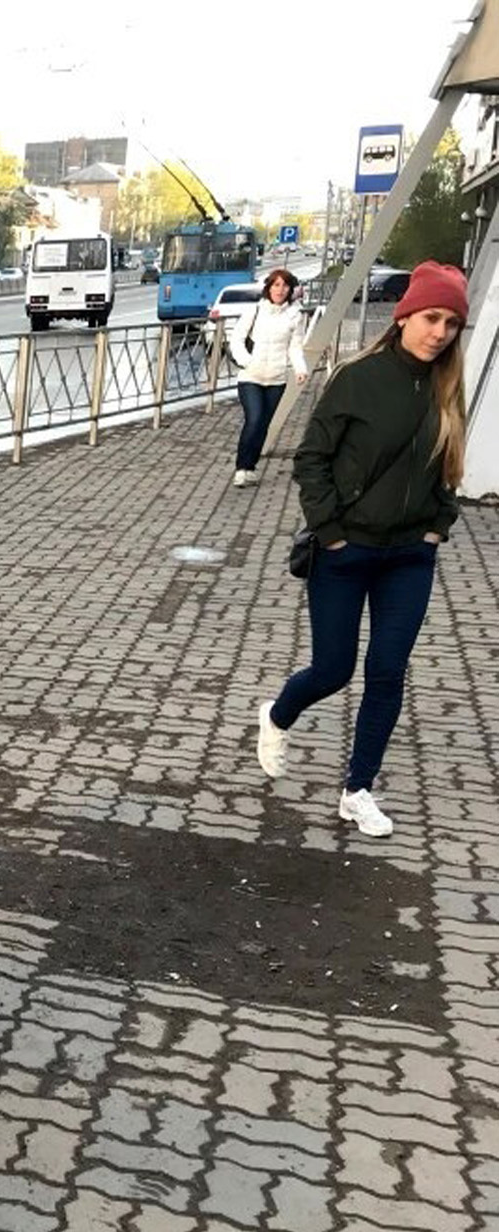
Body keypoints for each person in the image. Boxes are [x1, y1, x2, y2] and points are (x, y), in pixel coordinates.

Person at [255, 260, 467, 837]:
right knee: (333, 668)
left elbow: (448, 468)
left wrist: (438, 525)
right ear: (404, 316)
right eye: (430, 317)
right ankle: (277, 715)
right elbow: (311, 459)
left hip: (410, 557)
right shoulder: (357, 378)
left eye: (451, 322)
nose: (440, 332)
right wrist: (330, 531)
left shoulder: (448, 387)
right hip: (345, 553)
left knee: (387, 671)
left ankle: (358, 790)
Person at [230, 268, 309, 486]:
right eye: (276, 285)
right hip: (251, 377)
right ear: (269, 288)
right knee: (254, 419)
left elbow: (295, 347)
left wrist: (300, 369)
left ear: (290, 290)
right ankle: (241, 468)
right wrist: (247, 361)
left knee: (263, 424)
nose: (280, 290)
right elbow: (237, 339)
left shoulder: (295, 315)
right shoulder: (256, 310)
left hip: (276, 379)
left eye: (285, 286)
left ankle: (251, 467)